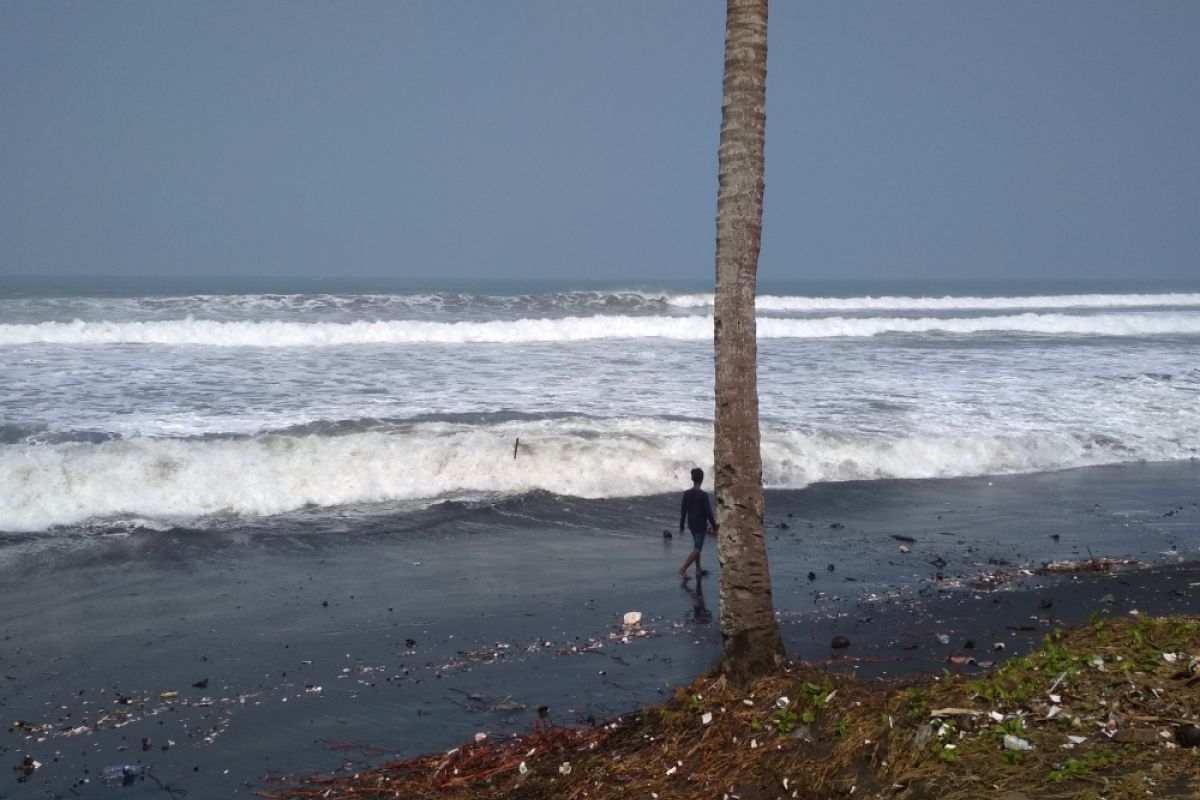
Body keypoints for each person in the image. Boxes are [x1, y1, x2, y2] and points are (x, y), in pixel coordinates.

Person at [678, 467, 717, 579]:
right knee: (698, 548)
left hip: (691, 523)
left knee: (696, 545)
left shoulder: (687, 494)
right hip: (700, 524)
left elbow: (683, 511)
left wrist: (681, 525)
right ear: (702, 479)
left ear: (692, 478)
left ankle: (698, 569)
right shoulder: (703, 495)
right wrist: (714, 526)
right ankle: (683, 569)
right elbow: (708, 512)